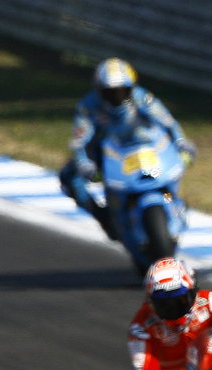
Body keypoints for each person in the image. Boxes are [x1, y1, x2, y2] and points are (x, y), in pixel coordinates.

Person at [59, 58, 195, 239]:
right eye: (110, 93)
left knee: (172, 171)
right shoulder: (88, 107)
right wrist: (83, 163)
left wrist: (181, 141)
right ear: (99, 91)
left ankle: (173, 201)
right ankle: (105, 216)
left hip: (146, 147)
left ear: (132, 88)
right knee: (69, 177)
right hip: (107, 153)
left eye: (123, 91)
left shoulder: (142, 97)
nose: (117, 97)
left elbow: (167, 121)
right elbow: (79, 142)